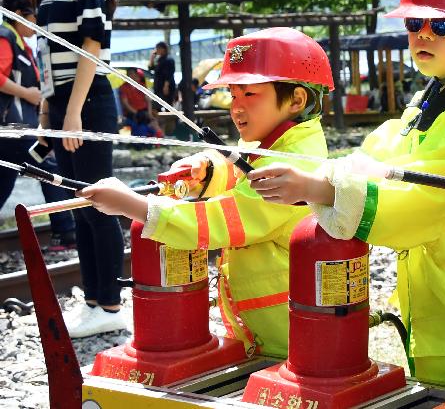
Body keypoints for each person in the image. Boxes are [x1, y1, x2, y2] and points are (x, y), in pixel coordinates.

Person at [241, 0, 445, 388]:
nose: (423, 35)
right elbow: (376, 158)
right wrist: (317, 174)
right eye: (414, 24)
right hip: (434, 293)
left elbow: (425, 201)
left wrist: (325, 190)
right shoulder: (430, 100)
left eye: (442, 24)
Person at [78, 27, 333, 359]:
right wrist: (207, 170)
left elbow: (223, 219)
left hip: (286, 339)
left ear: (297, 99)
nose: (236, 108)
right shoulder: (285, 147)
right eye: (233, 95)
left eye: (249, 95)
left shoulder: (294, 169)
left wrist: (135, 206)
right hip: (270, 329)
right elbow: (242, 168)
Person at [30, 0, 126, 337]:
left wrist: (73, 115)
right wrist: (50, 119)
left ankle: (110, 303)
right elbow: (51, 59)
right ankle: (94, 300)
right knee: (81, 204)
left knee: (97, 205)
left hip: (88, 101)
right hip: (68, 103)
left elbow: (93, 46)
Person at [0, 0, 75, 250]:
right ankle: (65, 231)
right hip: (13, 128)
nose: (36, 22)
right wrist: (29, 94)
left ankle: (64, 231)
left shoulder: (18, 41)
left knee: (5, 178)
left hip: (11, 131)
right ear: (19, 13)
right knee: (46, 163)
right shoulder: (5, 37)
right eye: (33, 16)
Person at [149, 41, 176, 111]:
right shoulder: (159, 59)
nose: (156, 50)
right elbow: (151, 68)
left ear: (163, 49)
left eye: (158, 48)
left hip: (166, 88)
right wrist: (152, 58)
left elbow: (169, 74)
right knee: (156, 107)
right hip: (159, 88)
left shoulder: (169, 59)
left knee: (167, 107)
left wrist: (166, 86)